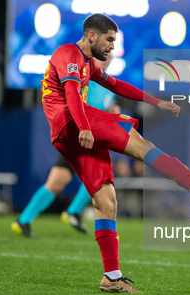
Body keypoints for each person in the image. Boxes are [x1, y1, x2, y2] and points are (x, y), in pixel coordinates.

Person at [37, 13, 190, 293]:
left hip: (66, 131)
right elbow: (71, 92)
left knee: (106, 202)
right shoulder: (68, 53)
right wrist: (83, 126)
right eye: (109, 40)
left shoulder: (87, 65)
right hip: (74, 122)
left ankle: (112, 277)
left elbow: (117, 85)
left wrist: (156, 101)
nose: (112, 47)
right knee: (142, 145)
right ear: (92, 36)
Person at [12, 54, 119, 237]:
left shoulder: (108, 86)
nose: (107, 60)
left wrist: (113, 111)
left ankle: (23, 221)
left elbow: (108, 106)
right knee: (100, 176)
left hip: (84, 137)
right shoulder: (86, 76)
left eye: (110, 57)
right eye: (104, 56)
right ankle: (73, 211)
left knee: (56, 182)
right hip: (81, 134)